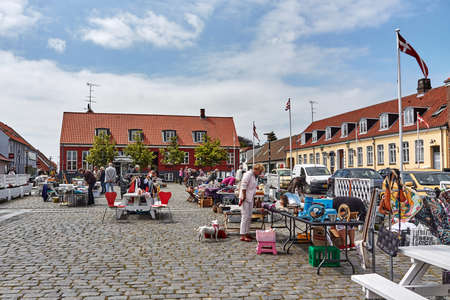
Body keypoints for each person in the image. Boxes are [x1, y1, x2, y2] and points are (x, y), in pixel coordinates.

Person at [239, 164, 265, 242]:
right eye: (260, 171)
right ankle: (242, 235)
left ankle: (247, 233)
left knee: (249, 216)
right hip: (245, 197)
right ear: (256, 169)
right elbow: (243, 185)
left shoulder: (254, 176)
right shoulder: (248, 174)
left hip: (250, 197)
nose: (260, 173)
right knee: (245, 216)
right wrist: (243, 196)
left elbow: (253, 188)